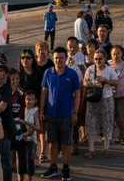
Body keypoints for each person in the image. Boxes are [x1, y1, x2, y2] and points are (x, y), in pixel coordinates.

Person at [40, 46, 81, 180]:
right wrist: (42, 111)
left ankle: (66, 168)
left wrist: (75, 112)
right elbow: (44, 92)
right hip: (51, 114)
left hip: (66, 115)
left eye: (61, 58)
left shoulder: (72, 74)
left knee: (67, 143)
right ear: (53, 58)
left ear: (66, 58)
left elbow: (78, 94)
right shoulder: (48, 73)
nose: (59, 60)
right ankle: (53, 167)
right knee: (52, 142)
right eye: (56, 58)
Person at [83, 48, 118, 159]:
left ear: (105, 58)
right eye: (96, 59)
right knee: (91, 123)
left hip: (106, 99)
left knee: (107, 123)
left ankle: (106, 148)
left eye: (100, 59)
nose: (98, 61)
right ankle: (91, 149)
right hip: (93, 99)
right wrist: (90, 83)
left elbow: (116, 83)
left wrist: (106, 80)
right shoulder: (90, 69)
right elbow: (84, 82)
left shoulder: (110, 70)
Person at [109, 46, 124, 145]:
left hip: (122, 94)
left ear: (122, 54)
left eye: (118, 53)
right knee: (110, 116)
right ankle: (109, 136)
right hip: (109, 95)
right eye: (114, 53)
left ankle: (121, 136)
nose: (116, 55)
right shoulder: (108, 65)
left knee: (122, 116)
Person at [20, 91, 41, 181]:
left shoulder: (35, 110)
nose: (29, 102)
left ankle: (30, 178)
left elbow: (38, 127)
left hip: (31, 140)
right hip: (22, 138)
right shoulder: (23, 109)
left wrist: (26, 122)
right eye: (27, 99)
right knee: (22, 160)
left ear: (36, 100)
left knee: (30, 160)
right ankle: (21, 178)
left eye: (32, 100)